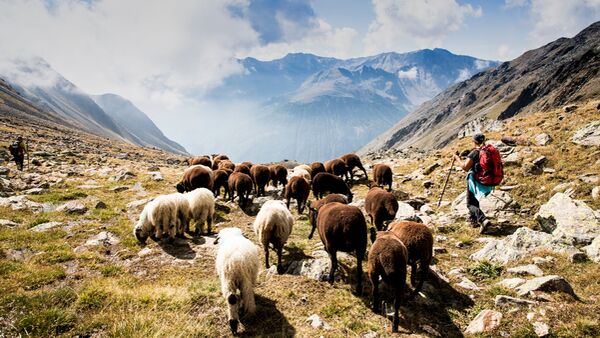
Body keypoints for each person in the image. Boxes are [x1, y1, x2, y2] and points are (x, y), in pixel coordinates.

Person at [453, 133, 493, 233]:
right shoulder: (488, 150)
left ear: (474, 141)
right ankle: (474, 220)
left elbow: (465, 167)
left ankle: (483, 219)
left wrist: (457, 158)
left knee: (470, 204)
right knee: (474, 200)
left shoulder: (475, 152)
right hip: (486, 179)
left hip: (475, 180)